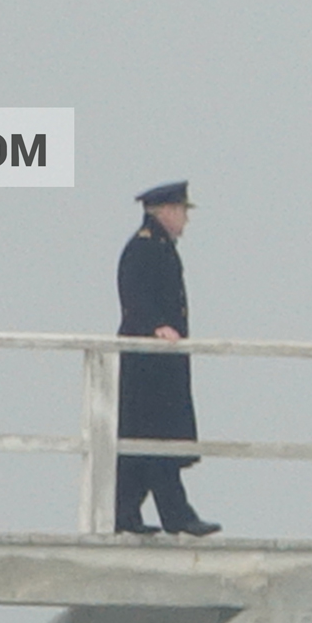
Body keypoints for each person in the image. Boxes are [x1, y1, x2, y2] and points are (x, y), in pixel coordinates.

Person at [114, 181, 219, 537]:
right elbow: (134, 297)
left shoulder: (161, 247)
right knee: (156, 439)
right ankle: (177, 515)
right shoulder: (144, 249)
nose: (186, 220)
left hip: (160, 365)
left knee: (143, 443)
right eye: (182, 211)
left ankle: (123, 513)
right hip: (147, 365)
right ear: (166, 211)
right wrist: (156, 326)